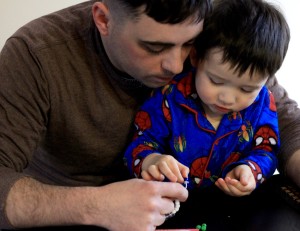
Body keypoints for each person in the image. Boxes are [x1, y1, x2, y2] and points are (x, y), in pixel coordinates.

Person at [0, 0, 299, 230]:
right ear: (103, 19)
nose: (178, 67)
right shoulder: (36, 55)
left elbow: (286, 124)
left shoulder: (217, 20)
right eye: (155, 47)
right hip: (74, 215)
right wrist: (95, 206)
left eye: (190, 45)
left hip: (192, 208)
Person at [124, 0, 290, 197]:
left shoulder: (262, 103)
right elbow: (142, 142)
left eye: (246, 89)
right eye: (216, 81)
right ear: (196, 58)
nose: (227, 98)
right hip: (172, 202)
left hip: (230, 206)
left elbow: (267, 150)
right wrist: (152, 160)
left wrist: (251, 170)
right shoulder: (169, 96)